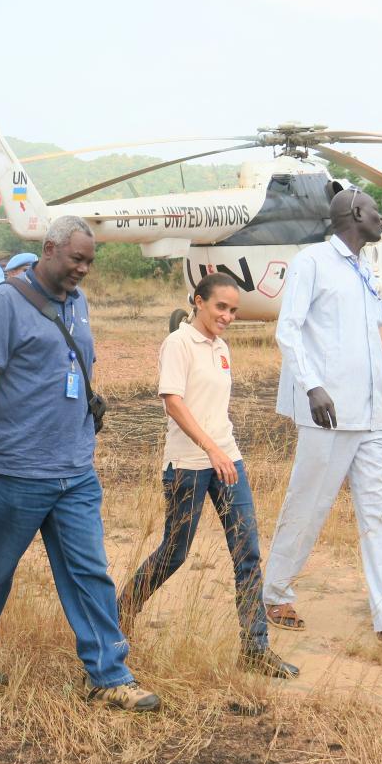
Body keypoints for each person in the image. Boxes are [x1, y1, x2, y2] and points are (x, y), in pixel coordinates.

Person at [0, 215, 162, 711]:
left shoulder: (79, 302)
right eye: (77, 259)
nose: (83, 269)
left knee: (90, 573)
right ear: (49, 249)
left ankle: (109, 674)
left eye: (90, 261)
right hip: (14, 469)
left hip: (75, 470)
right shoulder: (5, 302)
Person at [262, 188, 382, 652]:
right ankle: (275, 593)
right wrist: (312, 386)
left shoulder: (365, 268)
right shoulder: (313, 262)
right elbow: (288, 329)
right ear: (357, 213)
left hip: (373, 410)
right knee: (309, 504)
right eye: (377, 212)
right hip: (329, 410)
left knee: (381, 513)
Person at [118, 274, 299, 679]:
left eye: (233, 310)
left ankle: (255, 649)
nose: (228, 316)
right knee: (175, 552)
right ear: (198, 301)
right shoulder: (179, 343)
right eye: (221, 307)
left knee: (247, 551)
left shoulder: (221, 347)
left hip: (227, 460)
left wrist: (222, 451)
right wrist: (209, 449)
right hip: (188, 464)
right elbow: (173, 403)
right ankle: (119, 615)